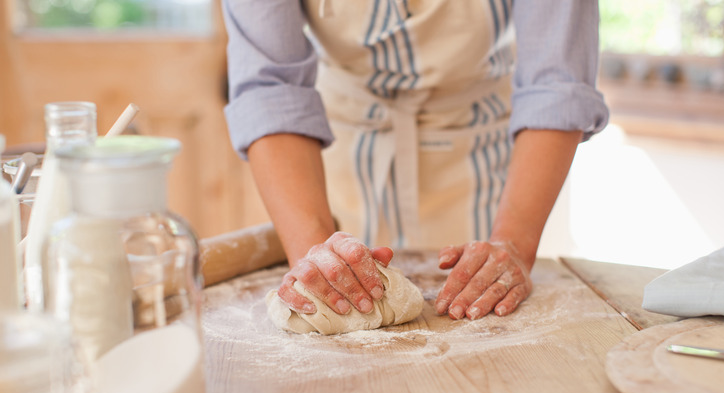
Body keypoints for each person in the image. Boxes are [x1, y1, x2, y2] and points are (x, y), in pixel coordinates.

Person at [222, 0, 608, 321]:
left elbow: (556, 83)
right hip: (334, 156)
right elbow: (269, 87)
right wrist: (317, 258)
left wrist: (513, 242)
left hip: (488, 162)